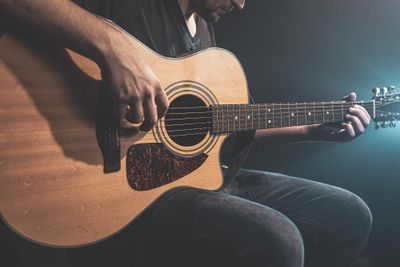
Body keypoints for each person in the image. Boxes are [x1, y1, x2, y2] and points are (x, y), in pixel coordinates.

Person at [0, 1, 372, 266]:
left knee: (348, 215)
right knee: (279, 241)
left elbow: (214, 130)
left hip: (195, 181)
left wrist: (309, 129)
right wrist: (111, 50)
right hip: (122, 196)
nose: (241, 5)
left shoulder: (206, 35)